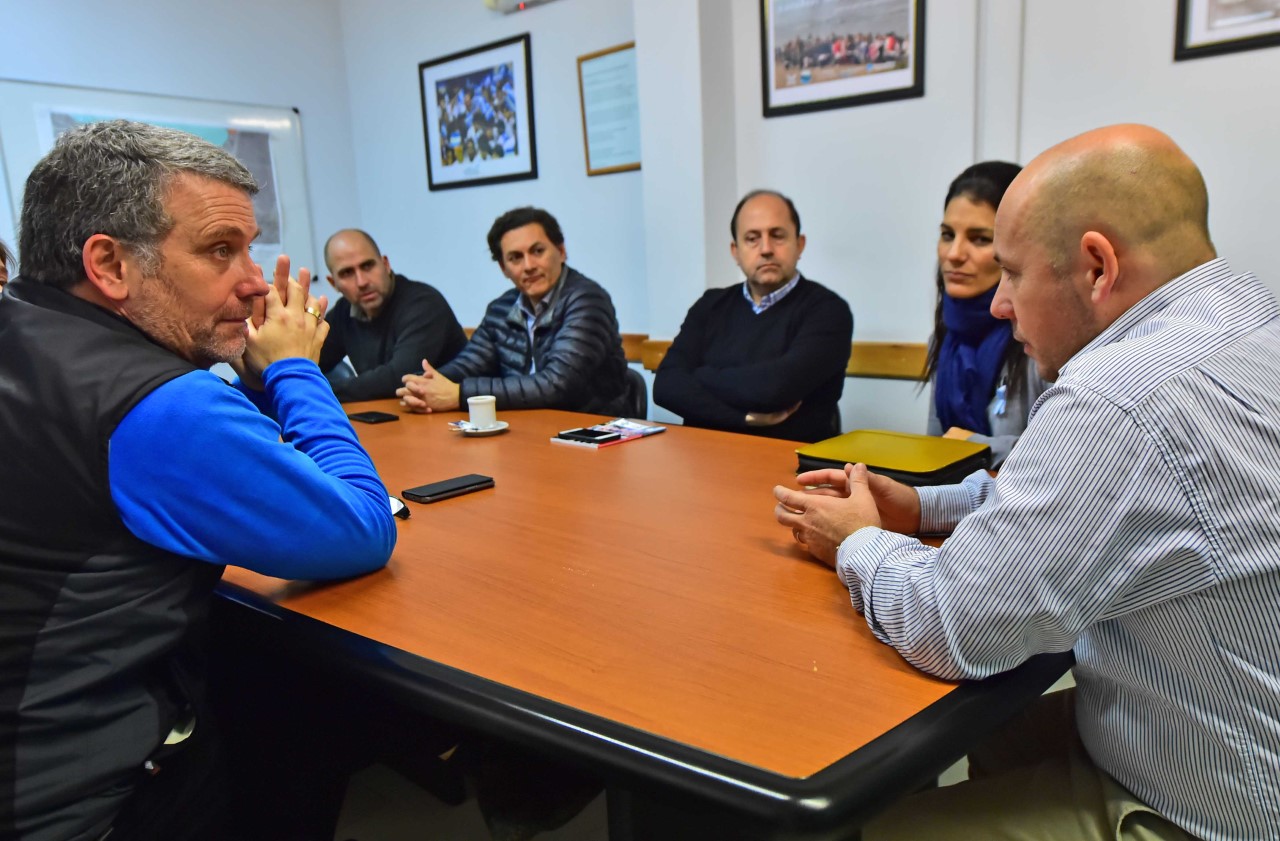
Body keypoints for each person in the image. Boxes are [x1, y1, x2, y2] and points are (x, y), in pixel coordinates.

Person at [774, 124, 1280, 840]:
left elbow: (951, 623)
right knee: (993, 731)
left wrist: (856, 540)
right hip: (1201, 721)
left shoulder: (1119, 394)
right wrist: (921, 506)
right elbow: (1076, 498)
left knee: (871, 823)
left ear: (1097, 267)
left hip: (1214, 806)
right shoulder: (1245, 319)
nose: (1000, 303)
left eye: (1010, 271)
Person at [0, 120, 397, 841]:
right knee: (306, 707)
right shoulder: (154, 404)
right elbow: (362, 527)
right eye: (220, 250)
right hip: (87, 799)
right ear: (110, 264)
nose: (252, 281)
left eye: (250, 247)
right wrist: (294, 369)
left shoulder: (25, 330)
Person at [653, 190, 853, 442]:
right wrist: (743, 418)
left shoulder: (828, 311)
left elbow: (774, 389)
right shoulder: (710, 305)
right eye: (752, 238)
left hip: (789, 466)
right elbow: (666, 387)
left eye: (778, 236)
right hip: (703, 458)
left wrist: (701, 375)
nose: (766, 249)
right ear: (735, 251)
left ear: (800, 245)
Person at [398, 206, 634, 415]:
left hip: (592, 433)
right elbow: (468, 364)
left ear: (561, 251)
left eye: (537, 251)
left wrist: (460, 394)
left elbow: (557, 385)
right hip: (526, 429)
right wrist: (424, 385)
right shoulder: (501, 308)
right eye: (515, 258)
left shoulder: (588, 300)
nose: (529, 265)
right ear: (503, 268)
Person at [926, 161, 1048, 466]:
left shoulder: (1045, 340)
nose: (954, 254)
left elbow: (1062, 456)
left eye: (980, 238)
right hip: (953, 503)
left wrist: (973, 446)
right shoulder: (944, 335)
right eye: (947, 235)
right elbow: (932, 447)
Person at [319, 228, 467, 401]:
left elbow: (399, 377)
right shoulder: (343, 312)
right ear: (333, 283)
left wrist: (320, 394)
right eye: (347, 273)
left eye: (367, 266)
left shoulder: (424, 303)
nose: (362, 282)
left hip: (453, 418)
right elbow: (309, 361)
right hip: (392, 414)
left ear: (386, 264)